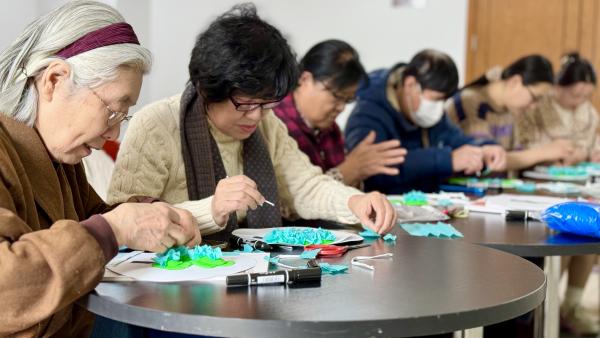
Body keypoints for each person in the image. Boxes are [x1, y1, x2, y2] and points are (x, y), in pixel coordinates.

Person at [107, 4, 396, 240]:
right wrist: (213, 209)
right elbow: (126, 220)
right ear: (207, 89)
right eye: (245, 104)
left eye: (268, 104)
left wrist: (354, 203)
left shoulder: (268, 127)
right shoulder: (157, 125)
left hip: (252, 273)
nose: (257, 116)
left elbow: (304, 186)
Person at [0, 1, 201, 337]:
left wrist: (145, 213)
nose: (113, 133)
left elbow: (90, 218)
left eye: (123, 117)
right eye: (112, 111)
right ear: (54, 80)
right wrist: (112, 229)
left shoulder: (56, 155)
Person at [345, 49, 506, 194]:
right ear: (410, 85)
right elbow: (375, 171)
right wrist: (447, 160)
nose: (439, 107)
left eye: (444, 100)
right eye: (435, 99)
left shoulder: (427, 113)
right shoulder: (368, 113)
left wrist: (482, 147)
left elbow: (455, 139)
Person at [518, 52, 599, 336]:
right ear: (559, 87)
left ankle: (572, 307)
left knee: (589, 235)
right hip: (540, 182)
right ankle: (546, 308)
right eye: (575, 94)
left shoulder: (588, 112)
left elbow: (594, 144)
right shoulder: (539, 105)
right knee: (560, 239)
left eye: (586, 96)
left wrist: (586, 153)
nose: (580, 102)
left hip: (577, 184)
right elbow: (524, 144)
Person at [273, 39, 407, 188]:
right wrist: (349, 170)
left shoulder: (331, 130)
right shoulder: (276, 124)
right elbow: (290, 199)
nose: (341, 108)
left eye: (347, 100)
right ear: (305, 80)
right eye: (336, 96)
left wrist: (358, 172)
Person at [446, 54, 574, 170]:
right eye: (535, 98)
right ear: (515, 82)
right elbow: (488, 158)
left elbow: (516, 154)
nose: (534, 106)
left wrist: (552, 157)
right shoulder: (470, 101)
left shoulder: (510, 108)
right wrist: (545, 152)